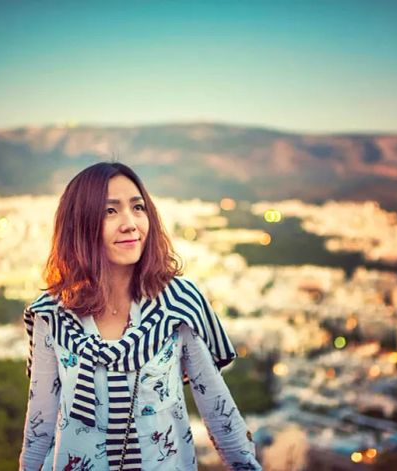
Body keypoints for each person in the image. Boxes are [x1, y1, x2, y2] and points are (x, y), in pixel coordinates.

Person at [18, 162, 262, 471]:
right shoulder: (51, 315)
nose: (130, 223)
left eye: (138, 207)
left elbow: (217, 411)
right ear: (79, 224)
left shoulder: (177, 304)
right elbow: (40, 423)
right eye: (110, 211)